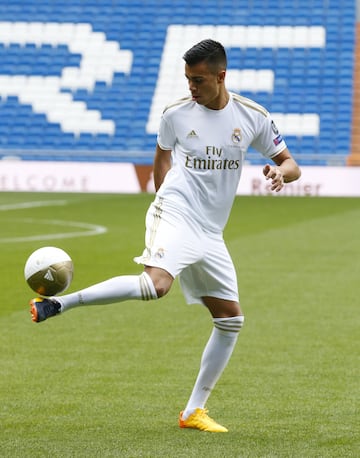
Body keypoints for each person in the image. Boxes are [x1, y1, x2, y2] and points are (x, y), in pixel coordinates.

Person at [29, 39, 301, 433]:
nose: (191, 87)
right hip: (175, 210)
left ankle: (193, 412)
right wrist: (163, 206)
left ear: (221, 76)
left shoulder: (253, 116)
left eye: (199, 80)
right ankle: (60, 303)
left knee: (230, 320)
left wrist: (281, 173)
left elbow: (291, 164)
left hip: (211, 230)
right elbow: (162, 157)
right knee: (156, 285)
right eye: (188, 79)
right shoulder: (175, 114)